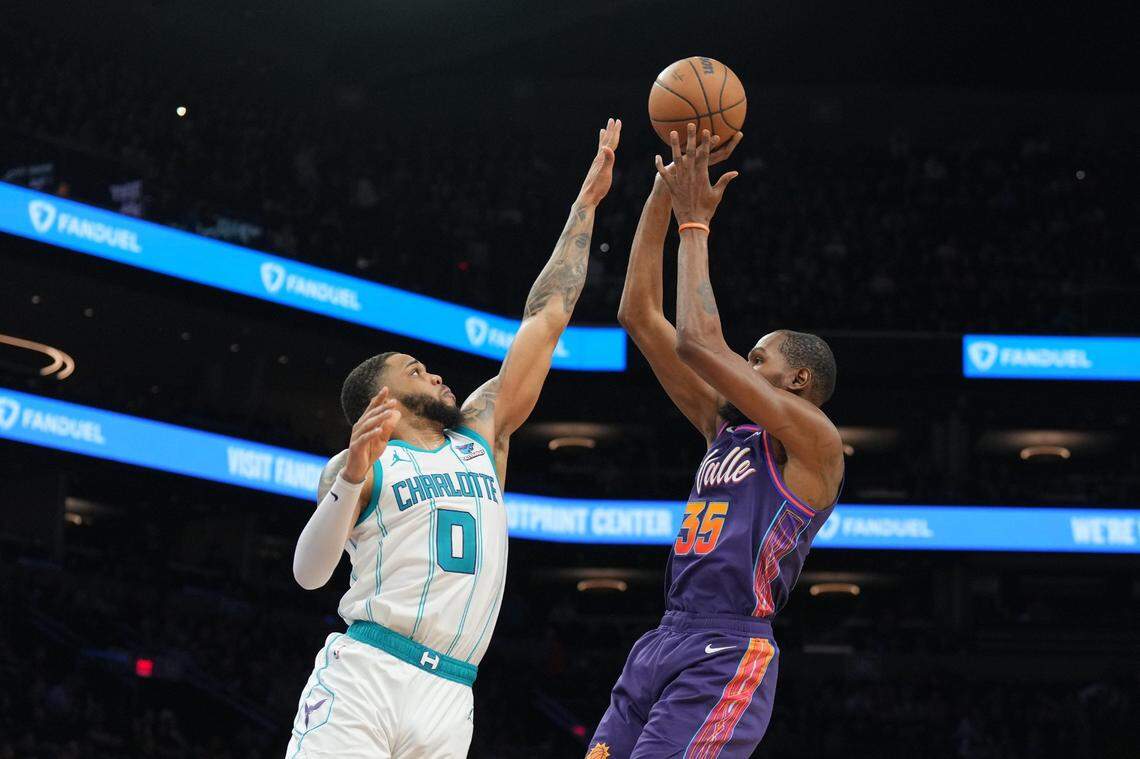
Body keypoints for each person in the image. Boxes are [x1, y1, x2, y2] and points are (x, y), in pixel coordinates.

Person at [286, 118, 622, 758]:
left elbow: (546, 316)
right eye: (415, 369)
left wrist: (586, 204)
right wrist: (356, 470)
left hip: (452, 693)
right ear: (381, 399)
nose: (434, 372)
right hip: (367, 672)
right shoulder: (357, 465)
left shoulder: (481, 429)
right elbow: (309, 576)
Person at [590, 124, 844, 758]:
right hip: (662, 637)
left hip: (728, 646)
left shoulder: (815, 441)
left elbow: (698, 342)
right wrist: (662, 190)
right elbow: (639, 315)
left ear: (799, 378)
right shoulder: (725, 425)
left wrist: (694, 223)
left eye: (758, 359)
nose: (743, 365)